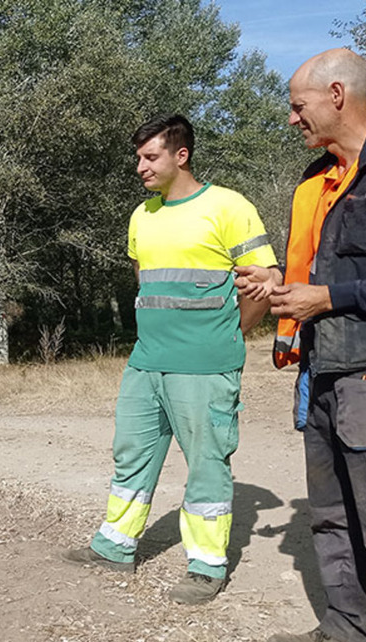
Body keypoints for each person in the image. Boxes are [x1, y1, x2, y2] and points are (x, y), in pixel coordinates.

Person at [60, 114, 279, 605]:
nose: (140, 166)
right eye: (138, 157)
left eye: (150, 156)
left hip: (204, 366)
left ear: (181, 155)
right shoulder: (142, 216)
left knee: (205, 463)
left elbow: (265, 284)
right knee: (130, 454)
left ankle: (206, 566)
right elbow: (147, 285)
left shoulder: (228, 206)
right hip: (146, 362)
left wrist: (226, 334)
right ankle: (115, 545)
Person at [236, 48, 366, 642]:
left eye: (297, 104)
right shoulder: (318, 179)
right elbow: (318, 276)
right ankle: (350, 633)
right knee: (333, 516)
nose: (290, 118)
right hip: (325, 371)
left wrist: (327, 296)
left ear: (337, 95)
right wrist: (278, 288)